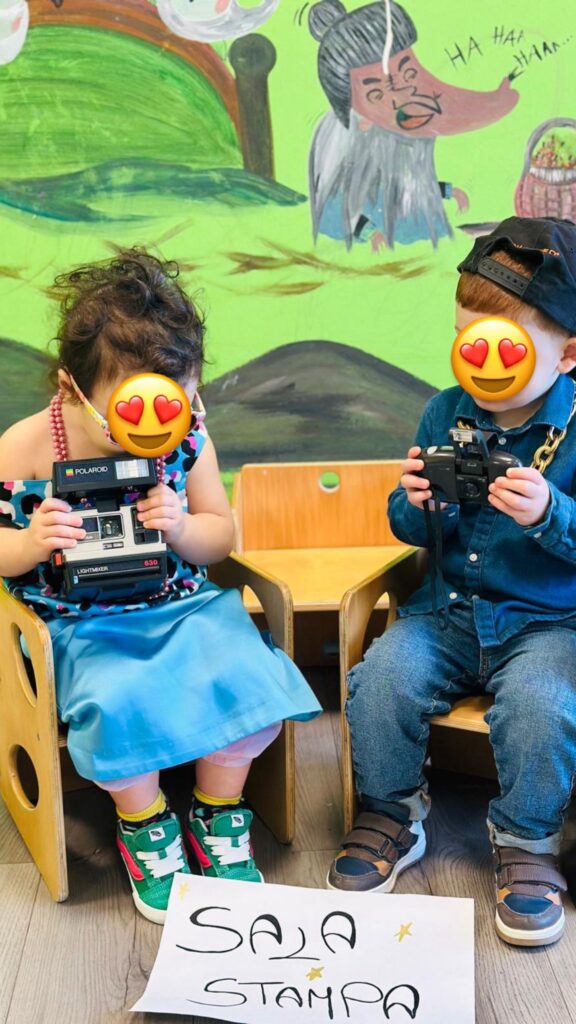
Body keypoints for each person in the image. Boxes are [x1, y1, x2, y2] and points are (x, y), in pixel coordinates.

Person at [0, 250, 322, 924]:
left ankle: (217, 808)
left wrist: (181, 527)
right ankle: (143, 819)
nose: (152, 428)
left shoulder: (187, 441)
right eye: (130, 409)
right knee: (116, 701)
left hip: (181, 607)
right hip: (76, 623)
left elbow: (220, 537)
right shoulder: (27, 445)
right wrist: (28, 544)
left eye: (174, 403)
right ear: (70, 388)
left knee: (250, 680)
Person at [327, 216, 576, 948]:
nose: (479, 361)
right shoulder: (445, 410)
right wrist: (417, 503)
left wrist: (551, 513)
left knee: (544, 704)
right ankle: (391, 810)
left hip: (547, 622)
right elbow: (408, 525)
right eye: (466, 339)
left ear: (567, 354)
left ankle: (527, 841)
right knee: (382, 680)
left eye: (504, 347)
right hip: (448, 612)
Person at [308, 0, 516, 249]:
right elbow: (335, 212)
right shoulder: (352, 156)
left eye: (410, 74)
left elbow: (408, 190)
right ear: (359, 117)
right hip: (390, 253)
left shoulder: (405, 141)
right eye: (376, 93)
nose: (404, 95)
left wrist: (447, 191)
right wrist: (370, 233)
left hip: (423, 241)